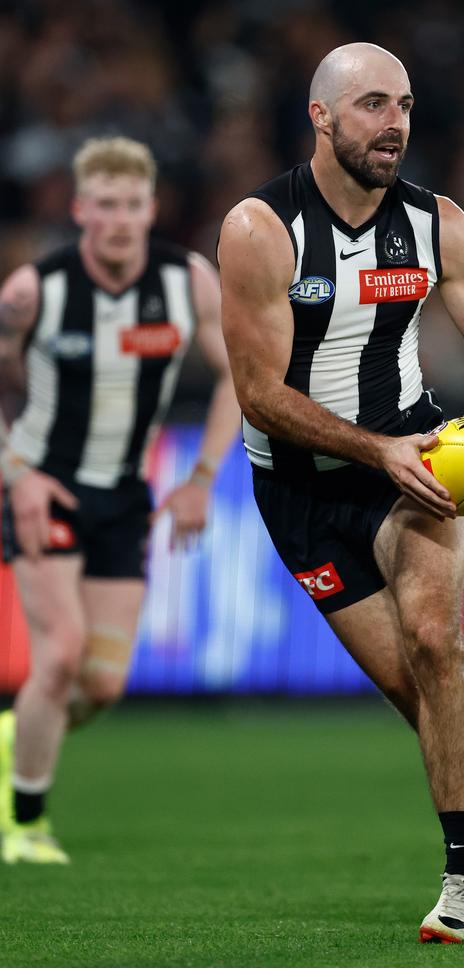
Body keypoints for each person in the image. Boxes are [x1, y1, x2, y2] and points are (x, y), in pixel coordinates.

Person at [218, 43, 464, 944]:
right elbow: (260, 395)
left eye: (402, 104)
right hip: (302, 491)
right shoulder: (259, 229)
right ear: (321, 117)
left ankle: (463, 882)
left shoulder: (438, 224)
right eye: (371, 105)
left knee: (440, 645)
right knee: (424, 697)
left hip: (420, 466)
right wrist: (377, 451)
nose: (394, 122)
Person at [0, 136, 241, 864]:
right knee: (62, 653)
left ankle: (19, 731)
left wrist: (200, 479)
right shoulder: (30, 292)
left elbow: (238, 378)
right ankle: (24, 822)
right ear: (79, 209)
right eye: (104, 205)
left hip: (125, 498)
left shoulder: (189, 281)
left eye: (132, 205)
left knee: (101, 685)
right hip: (45, 490)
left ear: (151, 207)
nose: (119, 220)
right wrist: (18, 475)